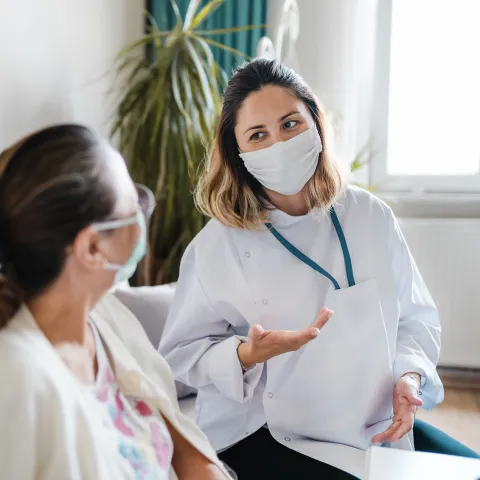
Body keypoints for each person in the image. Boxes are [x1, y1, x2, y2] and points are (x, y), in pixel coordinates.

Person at [159, 59, 479, 479]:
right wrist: (246, 354)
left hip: (371, 422)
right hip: (268, 430)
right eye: (259, 135)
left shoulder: (370, 215)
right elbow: (181, 354)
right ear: (237, 153)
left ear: (315, 122)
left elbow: (414, 318)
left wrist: (409, 378)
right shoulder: (219, 244)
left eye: (290, 124)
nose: (279, 143)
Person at [0, 125, 232, 479]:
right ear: (93, 248)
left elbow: (180, 439)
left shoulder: (104, 317)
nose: (143, 214)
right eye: (132, 205)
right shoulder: (17, 379)